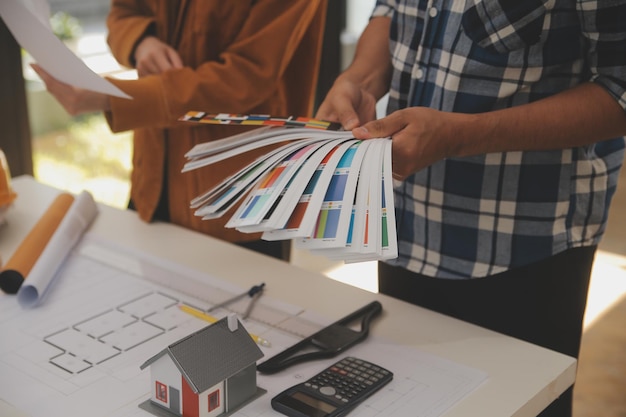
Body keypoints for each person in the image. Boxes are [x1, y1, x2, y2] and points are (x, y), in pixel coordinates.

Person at [316, 1, 626, 416]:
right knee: (408, 402)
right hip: (405, 222)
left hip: (527, 242)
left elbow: (619, 88)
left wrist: (461, 137)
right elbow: (392, 8)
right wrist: (359, 79)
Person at [32, 0, 328, 261]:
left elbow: (244, 78)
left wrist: (111, 97)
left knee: (241, 318)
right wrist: (141, 42)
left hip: (238, 198)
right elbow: (124, 9)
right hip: (153, 182)